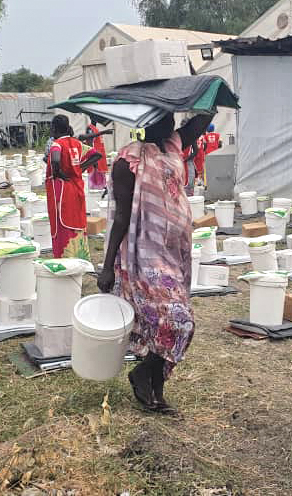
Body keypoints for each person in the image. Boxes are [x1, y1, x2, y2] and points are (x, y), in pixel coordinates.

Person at [98, 112, 213, 414]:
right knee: (178, 321)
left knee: (166, 325)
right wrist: (107, 267)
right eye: (163, 116)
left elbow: (200, 122)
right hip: (143, 259)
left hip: (174, 253)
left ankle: (156, 388)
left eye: (172, 116)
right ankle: (141, 374)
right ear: (146, 121)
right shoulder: (128, 162)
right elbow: (121, 216)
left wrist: (207, 95)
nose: (171, 122)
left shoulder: (172, 145)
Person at [45, 115, 100, 259]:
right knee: (77, 221)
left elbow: (55, 158)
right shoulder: (77, 143)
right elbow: (96, 155)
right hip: (76, 189)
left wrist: (58, 172)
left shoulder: (57, 144)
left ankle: (66, 258)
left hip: (62, 191)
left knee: (62, 224)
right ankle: (80, 258)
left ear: (54, 128)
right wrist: (79, 168)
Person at [77, 119, 114, 190]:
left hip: (99, 155)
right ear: (92, 118)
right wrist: (92, 156)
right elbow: (89, 142)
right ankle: (96, 187)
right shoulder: (90, 128)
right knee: (95, 172)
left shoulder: (95, 128)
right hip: (95, 155)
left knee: (100, 172)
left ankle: (100, 186)